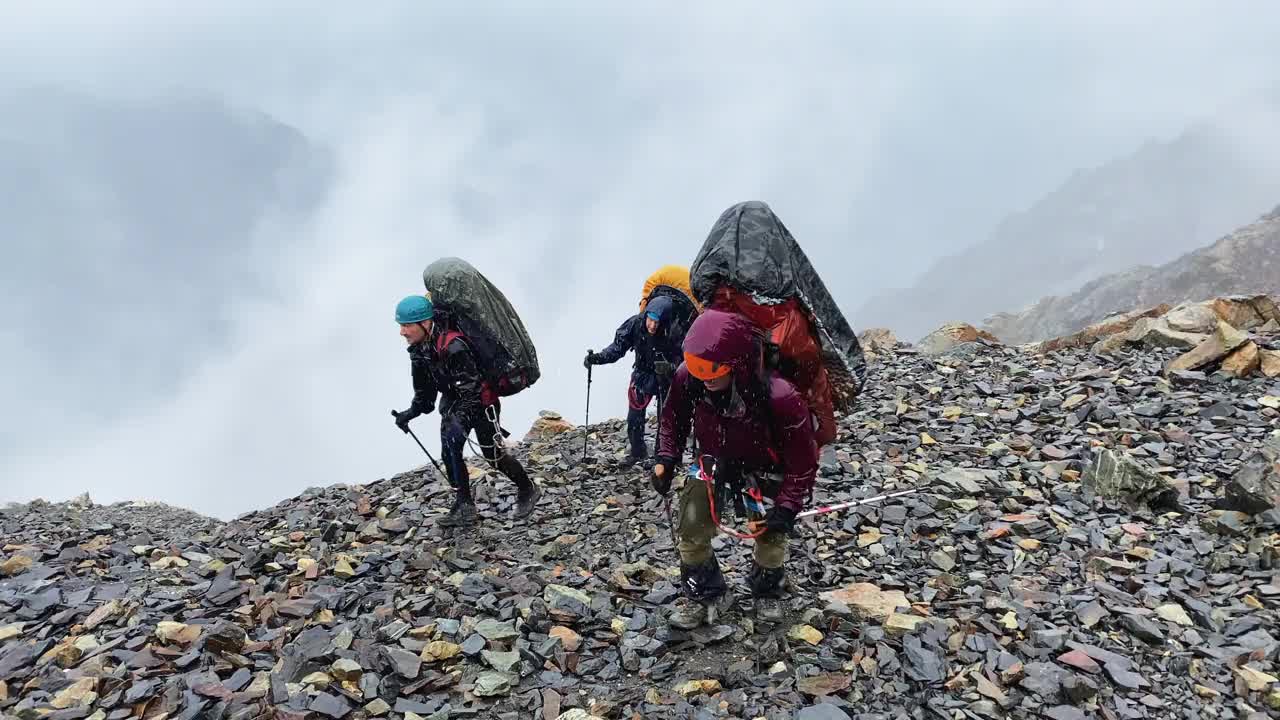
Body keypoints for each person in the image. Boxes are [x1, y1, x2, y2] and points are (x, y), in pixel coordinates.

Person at [651, 308, 818, 626]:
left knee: (768, 531)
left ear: (738, 363)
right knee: (690, 524)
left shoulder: (780, 396)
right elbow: (672, 420)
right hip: (711, 462)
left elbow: (802, 461)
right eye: (700, 370)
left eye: (714, 370)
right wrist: (666, 460)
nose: (706, 379)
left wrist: (786, 507)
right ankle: (706, 594)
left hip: (759, 469)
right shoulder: (692, 377)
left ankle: (767, 591)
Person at [391, 294, 541, 527]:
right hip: (454, 402)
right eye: (401, 326)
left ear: (425, 322)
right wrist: (408, 414)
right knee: (449, 452)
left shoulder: (454, 346)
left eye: (407, 325)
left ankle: (527, 488)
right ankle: (464, 506)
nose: (402, 332)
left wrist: (457, 420)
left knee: (492, 455)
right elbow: (426, 395)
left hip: (481, 403)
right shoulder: (419, 351)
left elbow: (472, 390)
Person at [584, 294, 683, 464]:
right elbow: (617, 347)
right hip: (643, 373)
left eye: (657, 322)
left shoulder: (676, 330)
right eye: (650, 320)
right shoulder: (636, 324)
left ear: (664, 320)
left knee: (665, 419)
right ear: (646, 315)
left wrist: (670, 368)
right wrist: (598, 358)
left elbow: (685, 359)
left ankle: (663, 458)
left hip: (666, 378)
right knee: (634, 418)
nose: (652, 325)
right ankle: (638, 452)